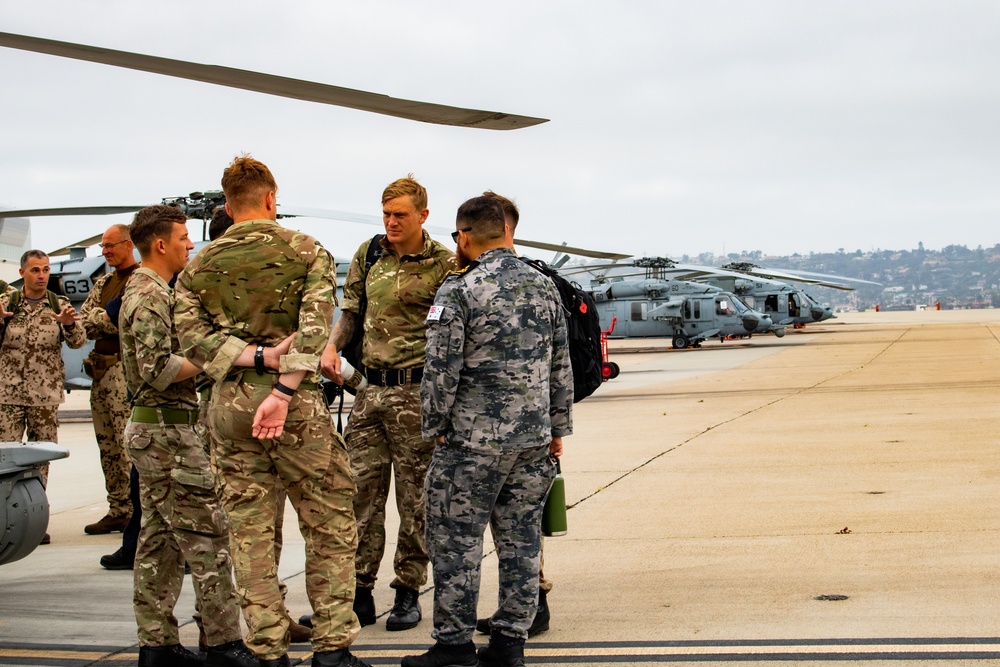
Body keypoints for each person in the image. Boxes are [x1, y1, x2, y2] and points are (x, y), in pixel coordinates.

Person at [175, 155, 368, 667]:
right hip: (296, 408)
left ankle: (267, 651)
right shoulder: (305, 250)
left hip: (230, 408)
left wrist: (251, 357)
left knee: (249, 532)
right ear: (270, 197)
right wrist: (281, 393)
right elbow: (312, 330)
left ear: (227, 204)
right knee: (328, 525)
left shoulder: (199, 265)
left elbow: (193, 342)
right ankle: (331, 651)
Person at [402, 196, 572, 667]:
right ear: (505, 231)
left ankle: (454, 646)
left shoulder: (459, 290)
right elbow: (562, 363)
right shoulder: (544, 286)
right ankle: (509, 642)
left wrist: (434, 427)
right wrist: (557, 428)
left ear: (464, 235)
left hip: (471, 443)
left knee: (456, 540)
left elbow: (441, 370)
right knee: (521, 541)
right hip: (532, 441)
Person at [120, 204, 258, 667]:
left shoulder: (152, 289)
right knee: (208, 537)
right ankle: (223, 643)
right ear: (161, 244)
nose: (189, 245)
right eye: (183, 238)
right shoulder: (151, 296)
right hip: (168, 434)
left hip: (160, 431)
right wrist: (219, 356)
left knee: (158, 542)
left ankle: (157, 646)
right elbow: (158, 369)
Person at [320, 174, 456, 632]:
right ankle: (359, 592)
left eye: (400, 214)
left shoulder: (444, 263)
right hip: (368, 392)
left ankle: (407, 590)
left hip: (417, 394)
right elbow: (351, 312)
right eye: (386, 214)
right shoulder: (369, 253)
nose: (392, 222)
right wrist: (332, 347)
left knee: (414, 499)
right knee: (358, 494)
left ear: (423, 215)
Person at [475, 191, 551, 638]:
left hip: (484, 433)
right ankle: (525, 614)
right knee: (522, 530)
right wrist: (558, 427)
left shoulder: (468, 284)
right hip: (535, 429)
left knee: (475, 534)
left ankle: (515, 616)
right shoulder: (541, 283)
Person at [0, 250, 87, 543]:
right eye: (35, 269)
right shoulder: (6, 304)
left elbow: (78, 343)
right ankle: (4, 518)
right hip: (8, 394)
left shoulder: (58, 305)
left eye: (46, 269)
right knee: (5, 458)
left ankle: (34, 522)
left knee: (40, 461)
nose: (41, 275)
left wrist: (69, 323)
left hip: (45, 396)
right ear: (23, 272)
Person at [80, 223, 139, 535]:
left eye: (109, 245)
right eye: (103, 246)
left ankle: (135, 511)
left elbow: (128, 324)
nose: (104, 252)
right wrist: (104, 320)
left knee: (126, 442)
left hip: (123, 371)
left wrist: (105, 321)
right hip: (100, 372)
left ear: (128, 244)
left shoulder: (139, 280)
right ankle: (117, 508)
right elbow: (86, 323)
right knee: (107, 446)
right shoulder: (104, 284)